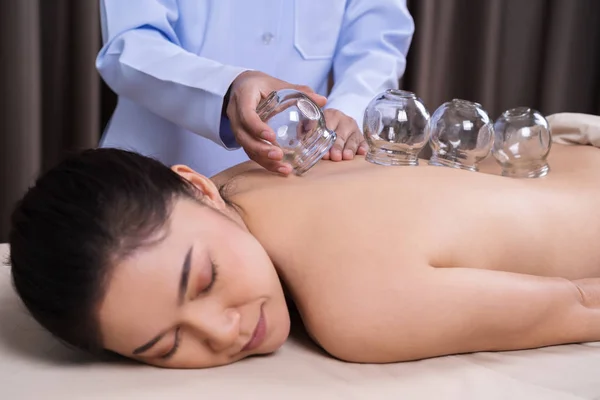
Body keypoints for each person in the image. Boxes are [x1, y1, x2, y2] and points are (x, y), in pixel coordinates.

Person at [7, 136, 600, 369]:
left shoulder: (357, 310)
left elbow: (582, 306)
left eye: (206, 279)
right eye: (168, 346)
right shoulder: (252, 172)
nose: (222, 332)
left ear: (197, 188)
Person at [95, 0, 415, 177]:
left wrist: (348, 109)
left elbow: (378, 41)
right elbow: (129, 45)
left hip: (298, 177)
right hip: (154, 175)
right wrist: (226, 89)